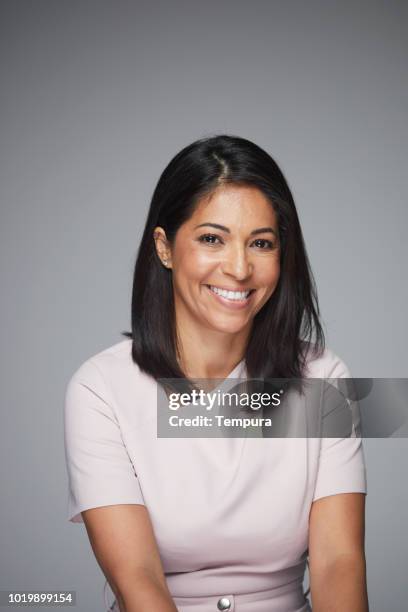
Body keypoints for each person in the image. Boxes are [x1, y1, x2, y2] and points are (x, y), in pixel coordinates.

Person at [63, 134, 368, 612]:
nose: (240, 268)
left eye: (261, 243)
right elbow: (137, 582)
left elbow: (338, 564)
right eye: (212, 238)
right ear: (164, 247)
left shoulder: (325, 379)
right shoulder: (100, 389)